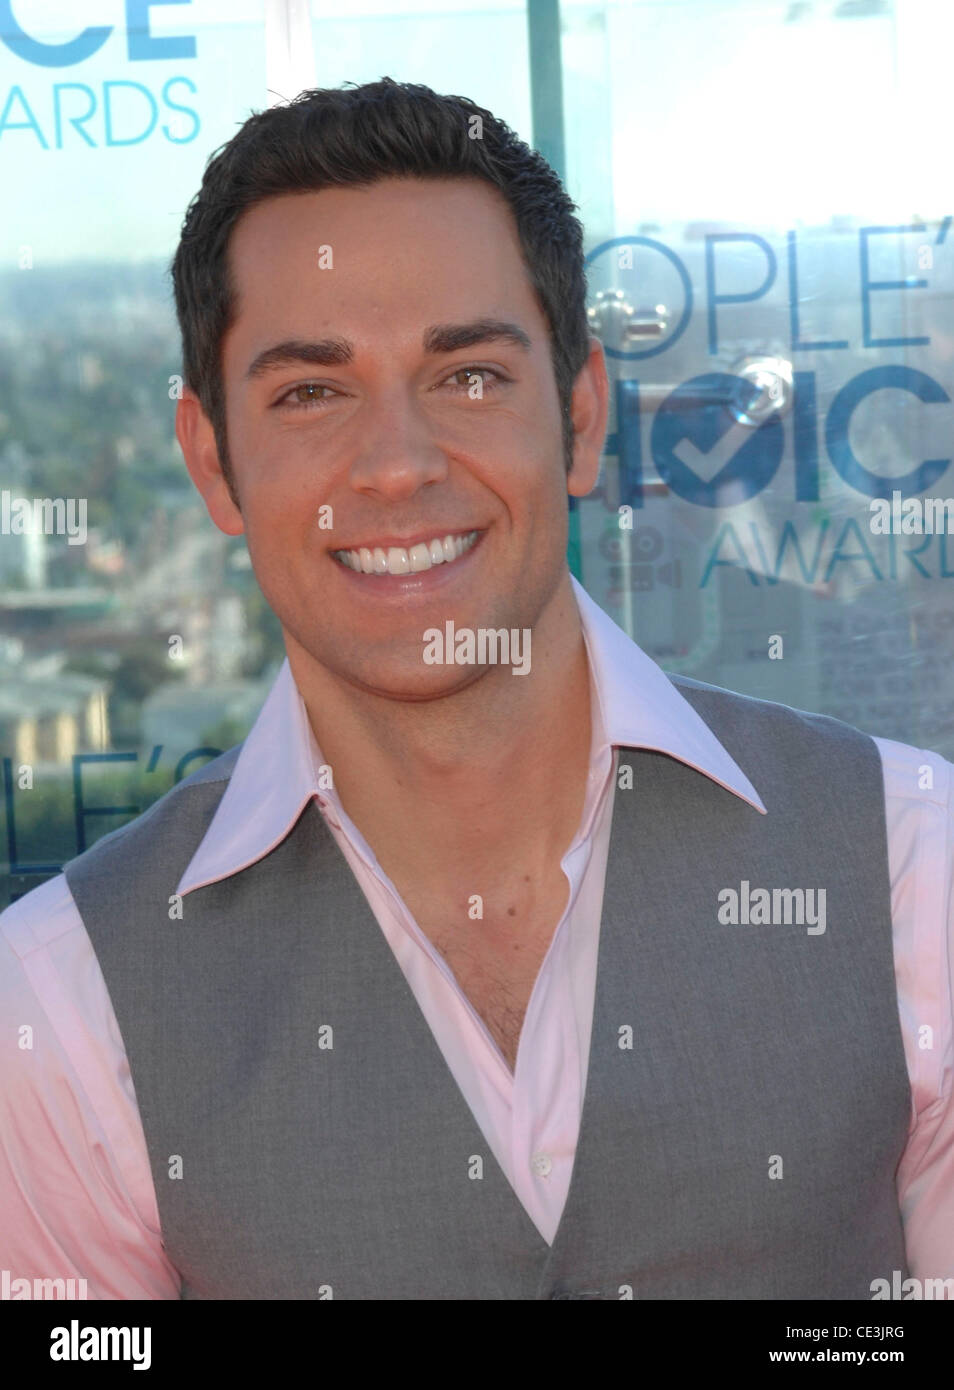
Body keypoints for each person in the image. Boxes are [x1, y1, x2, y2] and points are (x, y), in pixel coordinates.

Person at [1, 78, 951, 1301]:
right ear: (212, 463)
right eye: (311, 391)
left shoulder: (908, 866)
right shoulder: (61, 1006)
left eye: (469, 376)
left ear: (583, 415)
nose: (397, 464)